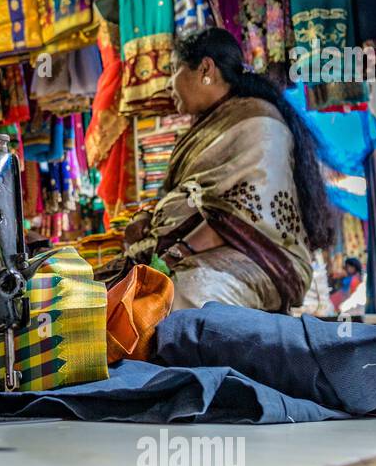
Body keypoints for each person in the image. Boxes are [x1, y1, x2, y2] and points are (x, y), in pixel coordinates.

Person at [122, 27, 334, 312]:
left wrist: (180, 251)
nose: (169, 86)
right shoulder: (211, 124)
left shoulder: (259, 120)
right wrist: (149, 219)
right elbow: (192, 195)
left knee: (185, 293)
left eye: (174, 70)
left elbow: (243, 209)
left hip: (264, 257)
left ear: (206, 69)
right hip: (202, 248)